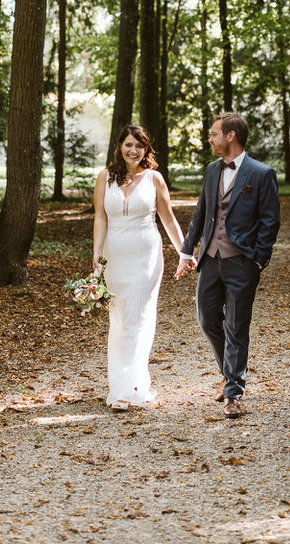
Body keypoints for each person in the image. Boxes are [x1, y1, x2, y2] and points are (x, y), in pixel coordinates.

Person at [176, 112, 280, 419]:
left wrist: (257, 259)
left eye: (214, 134)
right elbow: (201, 212)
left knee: (236, 326)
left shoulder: (261, 173)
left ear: (230, 136)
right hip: (210, 258)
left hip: (242, 262)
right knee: (207, 318)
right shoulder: (211, 170)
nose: (210, 139)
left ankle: (233, 392)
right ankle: (230, 372)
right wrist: (187, 250)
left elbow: (270, 221)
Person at [93, 124, 191, 411]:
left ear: (146, 149)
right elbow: (100, 217)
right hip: (115, 258)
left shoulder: (154, 179)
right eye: (128, 145)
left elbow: (169, 219)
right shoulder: (104, 178)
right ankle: (121, 385)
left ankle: (131, 388)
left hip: (147, 257)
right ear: (120, 147)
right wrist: (97, 254)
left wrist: (184, 252)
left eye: (139, 146)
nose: (133, 150)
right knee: (120, 319)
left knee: (139, 317)